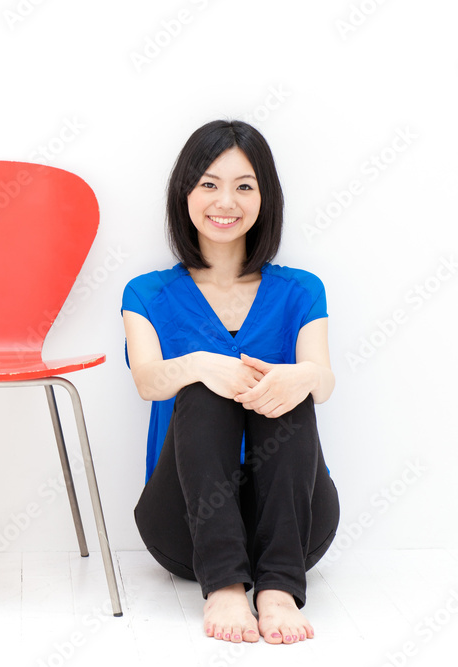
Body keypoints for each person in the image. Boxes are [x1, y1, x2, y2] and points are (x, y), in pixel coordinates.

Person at [121, 120, 339, 645]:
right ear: (186, 194)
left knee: (287, 385)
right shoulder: (146, 293)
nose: (227, 201)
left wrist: (302, 376)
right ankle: (222, 583)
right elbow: (149, 382)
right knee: (201, 385)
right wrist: (200, 364)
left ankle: (278, 587)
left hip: (294, 521)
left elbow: (323, 379)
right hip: (184, 525)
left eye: (244, 186)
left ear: (266, 197)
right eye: (209, 184)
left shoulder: (301, 290)